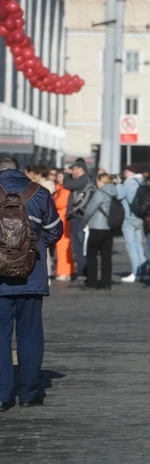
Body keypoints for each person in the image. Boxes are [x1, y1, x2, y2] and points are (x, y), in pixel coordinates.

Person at [0, 155, 63, 410]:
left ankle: (2, 396)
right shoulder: (39, 192)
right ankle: (28, 394)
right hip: (32, 276)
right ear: (21, 171)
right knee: (30, 335)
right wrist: (33, 249)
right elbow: (56, 231)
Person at [81, 173, 118, 291]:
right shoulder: (115, 192)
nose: (97, 183)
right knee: (106, 255)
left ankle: (92, 282)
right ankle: (106, 283)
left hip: (97, 226)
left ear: (102, 181)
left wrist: (85, 220)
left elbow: (89, 210)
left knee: (91, 254)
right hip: (110, 227)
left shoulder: (100, 193)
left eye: (98, 181)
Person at [62, 160, 92, 280]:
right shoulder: (85, 179)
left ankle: (82, 271)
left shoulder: (83, 179)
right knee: (78, 244)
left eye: (73, 170)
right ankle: (81, 269)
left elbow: (67, 185)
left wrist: (65, 175)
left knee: (78, 245)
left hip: (78, 215)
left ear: (80, 169)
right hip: (78, 215)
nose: (72, 173)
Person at [117, 166, 147, 283]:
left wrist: (119, 183)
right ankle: (143, 271)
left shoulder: (128, 183)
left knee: (131, 246)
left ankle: (135, 272)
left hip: (129, 217)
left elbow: (119, 195)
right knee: (138, 245)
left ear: (131, 172)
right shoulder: (142, 182)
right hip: (140, 217)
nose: (124, 173)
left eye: (126, 171)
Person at [47, 169, 72, 282]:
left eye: (61, 177)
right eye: (58, 176)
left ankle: (64, 272)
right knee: (60, 247)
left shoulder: (65, 189)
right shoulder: (59, 188)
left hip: (64, 219)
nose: (59, 179)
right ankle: (64, 270)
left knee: (63, 247)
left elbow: (59, 203)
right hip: (59, 219)